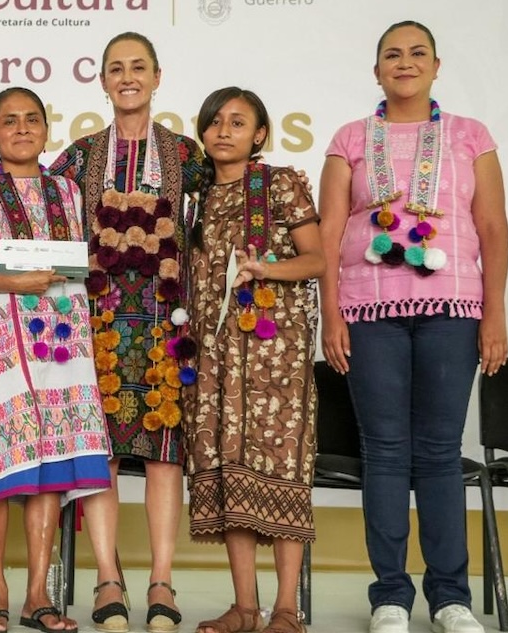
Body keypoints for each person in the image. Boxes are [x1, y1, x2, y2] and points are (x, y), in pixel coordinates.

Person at [318, 20, 507, 633]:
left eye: (416, 53)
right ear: (376, 71)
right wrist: (330, 313)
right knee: (385, 454)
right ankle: (391, 598)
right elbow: (327, 233)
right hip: (368, 309)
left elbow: (492, 229)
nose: (405, 63)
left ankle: (451, 597)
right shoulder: (350, 138)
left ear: (436, 66)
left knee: (439, 454)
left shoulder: (469, 135)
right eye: (392, 55)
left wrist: (496, 314)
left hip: (453, 309)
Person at [0, 86, 111, 633]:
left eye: (31, 119)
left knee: (49, 468)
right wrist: (13, 284)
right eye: (8, 121)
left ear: (46, 129)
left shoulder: (68, 193)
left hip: (61, 346)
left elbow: (78, 265)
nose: (21, 128)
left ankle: (38, 595)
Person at [50, 32, 203, 633]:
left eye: (138, 67)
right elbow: (42, 214)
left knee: (166, 458)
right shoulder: (80, 155)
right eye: (117, 68)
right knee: (103, 456)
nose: (128, 76)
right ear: (104, 81)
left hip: (169, 323)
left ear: (158, 77)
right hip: (99, 324)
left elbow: (217, 223)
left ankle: (162, 579)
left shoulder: (187, 155)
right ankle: (107, 577)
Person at [184, 87, 323, 633]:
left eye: (238, 123)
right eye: (216, 121)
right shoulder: (196, 198)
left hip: (275, 356)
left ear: (259, 134)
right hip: (214, 357)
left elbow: (316, 260)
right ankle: (245, 608)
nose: (224, 131)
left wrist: (266, 270)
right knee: (226, 470)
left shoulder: (281, 184)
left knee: (281, 468)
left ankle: (286, 609)